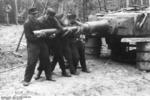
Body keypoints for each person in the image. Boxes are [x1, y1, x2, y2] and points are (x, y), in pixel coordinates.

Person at [34, 8, 71, 80]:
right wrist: (42, 34)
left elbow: (60, 29)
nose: (52, 18)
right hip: (44, 41)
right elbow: (36, 32)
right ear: (47, 14)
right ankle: (39, 73)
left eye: (53, 17)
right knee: (44, 57)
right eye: (51, 16)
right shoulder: (40, 20)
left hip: (54, 40)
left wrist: (54, 34)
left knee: (59, 55)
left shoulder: (54, 19)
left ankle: (64, 71)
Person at [22, 7, 54, 86]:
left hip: (42, 43)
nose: (35, 15)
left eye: (36, 14)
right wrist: (39, 36)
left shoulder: (38, 21)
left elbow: (44, 31)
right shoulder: (27, 23)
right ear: (29, 14)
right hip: (33, 45)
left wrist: (46, 35)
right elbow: (29, 37)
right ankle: (26, 80)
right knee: (32, 62)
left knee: (46, 60)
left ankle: (49, 76)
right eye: (33, 14)